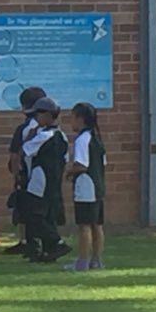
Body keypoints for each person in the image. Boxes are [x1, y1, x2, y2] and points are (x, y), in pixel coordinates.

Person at [21, 97, 72, 263]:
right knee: (49, 215)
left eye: (38, 114)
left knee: (34, 216)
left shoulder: (43, 136)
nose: (36, 118)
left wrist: (30, 136)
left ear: (48, 115)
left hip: (39, 180)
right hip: (55, 180)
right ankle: (49, 251)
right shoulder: (62, 136)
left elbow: (25, 151)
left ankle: (57, 242)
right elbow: (65, 158)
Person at [5, 86, 47, 255]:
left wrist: (16, 175)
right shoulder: (47, 126)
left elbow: (15, 155)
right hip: (45, 172)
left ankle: (28, 240)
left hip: (28, 173)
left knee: (26, 208)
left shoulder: (25, 128)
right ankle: (36, 240)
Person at [65, 103, 107, 272]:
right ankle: (96, 260)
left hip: (85, 186)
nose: (71, 122)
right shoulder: (97, 138)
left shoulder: (82, 139)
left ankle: (82, 261)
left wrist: (69, 171)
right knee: (97, 224)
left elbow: (82, 164)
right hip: (98, 185)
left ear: (80, 119)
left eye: (72, 118)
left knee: (84, 225)